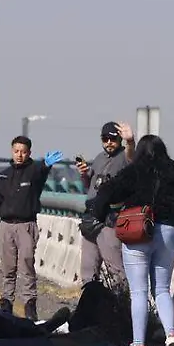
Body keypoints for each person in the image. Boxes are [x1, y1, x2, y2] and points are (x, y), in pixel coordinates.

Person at [91, 134, 174, 346]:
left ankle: (138, 344)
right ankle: (171, 336)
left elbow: (105, 192)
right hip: (167, 232)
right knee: (161, 289)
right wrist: (173, 215)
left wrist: (101, 216)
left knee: (139, 291)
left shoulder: (134, 171)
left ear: (140, 152)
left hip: (138, 231)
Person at [0, 135, 62, 321]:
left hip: (26, 227)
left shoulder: (33, 172)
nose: (19, 155)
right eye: (16, 151)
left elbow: (41, 174)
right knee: (8, 269)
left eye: (23, 152)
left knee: (26, 265)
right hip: (6, 227)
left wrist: (46, 165)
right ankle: (6, 305)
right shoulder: (3, 176)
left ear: (29, 153)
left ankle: (30, 307)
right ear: (12, 151)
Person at [76, 121, 135, 289]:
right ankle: (90, 305)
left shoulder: (124, 157)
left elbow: (133, 157)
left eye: (113, 139)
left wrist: (130, 141)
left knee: (115, 269)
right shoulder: (99, 158)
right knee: (88, 269)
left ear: (119, 140)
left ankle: (121, 305)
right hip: (90, 219)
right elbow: (91, 186)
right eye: (105, 139)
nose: (109, 142)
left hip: (110, 220)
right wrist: (84, 175)